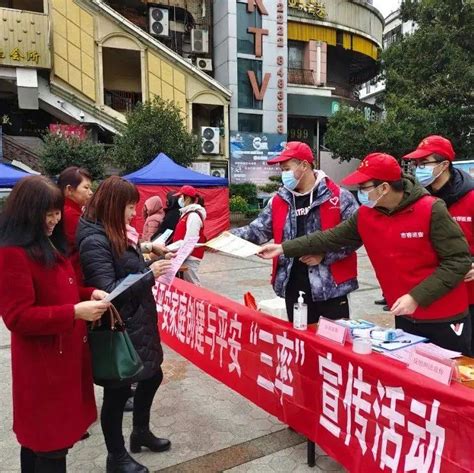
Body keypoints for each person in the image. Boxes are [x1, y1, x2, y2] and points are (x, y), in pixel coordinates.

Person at [259, 153, 472, 353]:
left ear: (384, 188)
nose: (359, 192)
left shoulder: (431, 209)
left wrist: (416, 297)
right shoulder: (366, 215)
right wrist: (284, 248)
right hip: (405, 313)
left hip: (444, 316)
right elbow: (329, 237)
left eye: (364, 186)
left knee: (452, 382)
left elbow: (458, 261)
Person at [0, 176, 109, 473]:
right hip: (43, 368)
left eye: (57, 212)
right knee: (49, 445)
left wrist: (89, 294)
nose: (55, 220)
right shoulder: (13, 254)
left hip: (63, 360)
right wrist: (74, 312)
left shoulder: (47, 243)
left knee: (44, 444)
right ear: (27, 215)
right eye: (47, 214)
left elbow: (62, 289)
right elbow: (17, 317)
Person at [77, 176, 172, 473]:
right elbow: (108, 290)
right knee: (117, 394)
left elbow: (126, 266)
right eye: (130, 207)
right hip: (120, 328)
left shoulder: (116, 231)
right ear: (115, 205)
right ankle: (115, 457)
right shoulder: (94, 240)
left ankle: (140, 432)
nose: (134, 213)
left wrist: (148, 254)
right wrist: (150, 274)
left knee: (152, 375)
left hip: (138, 320)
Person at [232, 141, 359, 323]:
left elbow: (355, 236)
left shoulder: (338, 197)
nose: (284, 174)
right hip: (293, 285)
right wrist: (224, 238)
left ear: (304, 165)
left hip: (331, 289)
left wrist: (325, 255)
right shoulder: (279, 200)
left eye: (286, 168)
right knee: (300, 344)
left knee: (332, 346)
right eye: (281, 170)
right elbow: (257, 230)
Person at [404, 135, 474, 354]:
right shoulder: (415, 200)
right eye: (416, 164)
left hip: (466, 296)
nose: (418, 169)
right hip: (425, 293)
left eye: (425, 163)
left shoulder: (470, 198)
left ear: (444, 165)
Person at [57, 166, 93, 277]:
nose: (91, 192)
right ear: (69, 190)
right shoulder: (69, 214)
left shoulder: (68, 210)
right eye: (86, 188)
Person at [171, 185, 207, 286]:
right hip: (185, 256)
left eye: (180, 196)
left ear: (186, 198)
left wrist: (180, 258)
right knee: (187, 286)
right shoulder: (187, 214)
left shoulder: (193, 216)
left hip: (190, 257)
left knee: (193, 286)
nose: (179, 199)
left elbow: (190, 241)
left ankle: (200, 301)